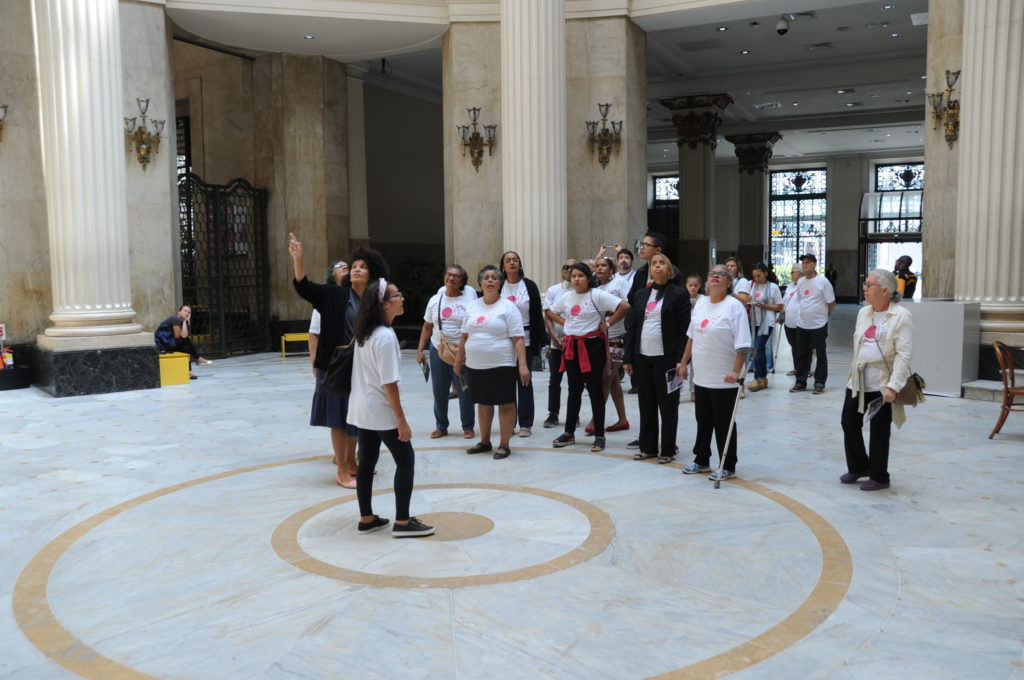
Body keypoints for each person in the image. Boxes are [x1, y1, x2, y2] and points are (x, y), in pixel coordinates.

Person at [289, 233, 390, 489]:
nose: (356, 269)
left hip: (361, 366)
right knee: (338, 419)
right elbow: (304, 286)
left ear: (372, 273)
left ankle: (354, 465)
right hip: (335, 365)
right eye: (354, 266)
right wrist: (298, 259)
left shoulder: (373, 300)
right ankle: (342, 471)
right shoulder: (334, 294)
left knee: (355, 416)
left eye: (362, 266)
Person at [348, 277, 435, 537]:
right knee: (406, 460)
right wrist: (402, 421)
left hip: (363, 409)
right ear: (384, 304)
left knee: (366, 462)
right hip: (381, 411)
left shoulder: (366, 333)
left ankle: (366, 518)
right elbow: (390, 384)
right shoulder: (385, 337)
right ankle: (404, 522)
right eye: (397, 296)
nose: (402, 299)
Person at [841, 269, 914, 491]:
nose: (865, 288)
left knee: (880, 430)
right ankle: (859, 466)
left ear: (885, 290)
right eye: (865, 284)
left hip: (882, 382)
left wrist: (893, 385)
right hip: (859, 378)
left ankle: (880, 476)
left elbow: (904, 354)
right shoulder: (864, 312)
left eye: (869, 285)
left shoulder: (901, 316)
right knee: (849, 422)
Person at [679, 267, 751, 482]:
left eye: (721, 274)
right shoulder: (700, 303)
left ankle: (727, 465)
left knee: (724, 423)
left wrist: (735, 371)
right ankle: (701, 460)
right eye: (712, 273)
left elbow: (743, 345)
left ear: (729, 283)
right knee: (703, 421)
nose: (716, 276)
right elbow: (692, 336)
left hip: (724, 379)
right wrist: (683, 362)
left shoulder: (734, 307)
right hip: (701, 376)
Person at [547, 262, 629, 452]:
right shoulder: (567, 297)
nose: (576, 279)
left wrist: (608, 325)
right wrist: (566, 323)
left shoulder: (597, 295)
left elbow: (624, 306)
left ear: (588, 278)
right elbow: (550, 311)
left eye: (581, 276)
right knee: (573, 389)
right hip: (572, 346)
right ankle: (569, 433)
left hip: (592, 346)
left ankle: (599, 435)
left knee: (595, 390)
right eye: (574, 276)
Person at [455, 265, 530, 460]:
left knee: (505, 404)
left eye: (494, 278)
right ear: (480, 283)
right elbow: (463, 337)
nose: (489, 280)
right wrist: (458, 360)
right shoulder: (472, 306)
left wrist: (522, 365)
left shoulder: (508, 307)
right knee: (483, 403)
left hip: (502, 364)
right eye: (486, 278)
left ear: (500, 283)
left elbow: (518, 338)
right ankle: (485, 441)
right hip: (475, 365)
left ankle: (504, 444)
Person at [622, 254, 690, 463]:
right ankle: (648, 447)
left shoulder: (679, 294)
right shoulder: (641, 295)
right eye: (654, 263)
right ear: (650, 270)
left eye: (662, 263)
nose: (657, 265)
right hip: (643, 357)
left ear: (668, 270)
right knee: (646, 403)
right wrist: (628, 358)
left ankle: (668, 449)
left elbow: (684, 330)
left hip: (667, 358)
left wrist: (682, 360)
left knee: (668, 405)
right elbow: (632, 326)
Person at [416, 265, 476, 441]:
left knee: (464, 389)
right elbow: (427, 326)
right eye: (449, 275)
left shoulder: (469, 301)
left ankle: (468, 426)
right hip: (438, 348)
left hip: (461, 350)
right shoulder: (435, 300)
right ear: (444, 278)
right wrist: (420, 350)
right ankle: (441, 426)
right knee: (439, 390)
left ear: (462, 282)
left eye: (457, 276)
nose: (452, 278)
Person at [499, 251, 547, 438]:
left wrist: (543, 342)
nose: (512, 263)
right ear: (502, 266)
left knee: (524, 380)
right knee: (506, 383)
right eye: (508, 261)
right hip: (503, 340)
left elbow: (537, 315)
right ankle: (509, 422)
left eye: (515, 260)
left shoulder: (529, 285)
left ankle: (526, 423)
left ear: (520, 264)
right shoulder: (499, 286)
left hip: (525, 339)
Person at [308, 259, 347, 467]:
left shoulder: (356, 297)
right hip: (332, 362)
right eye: (342, 267)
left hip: (351, 362)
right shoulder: (325, 299)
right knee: (336, 411)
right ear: (332, 275)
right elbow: (314, 334)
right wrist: (315, 361)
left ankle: (350, 456)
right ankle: (341, 456)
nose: (347, 269)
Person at [587, 256, 630, 434]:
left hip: (617, 335)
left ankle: (595, 420)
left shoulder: (619, 283)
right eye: (597, 266)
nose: (600, 268)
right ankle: (622, 419)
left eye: (603, 265)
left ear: (611, 268)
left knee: (606, 377)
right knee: (613, 382)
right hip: (602, 338)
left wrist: (610, 321)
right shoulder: (597, 288)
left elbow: (627, 306)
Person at [790, 253, 836, 395]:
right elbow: (801, 299)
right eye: (803, 262)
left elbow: (831, 303)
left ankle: (819, 382)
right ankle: (801, 381)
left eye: (808, 262)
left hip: (819, 324)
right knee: (802, 354)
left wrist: (825, 315)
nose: (805, 265)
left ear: (815, 264)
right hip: (802, 324)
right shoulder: (801, 281)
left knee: (820, 354)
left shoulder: (823, 281)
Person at [542, 258, 577, 429]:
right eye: (566, 267)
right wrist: (555, 339)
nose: (569, 271)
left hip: (575, 343)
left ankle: (574, 414)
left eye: (573, 268)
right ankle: (553, 414)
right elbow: (547, 315)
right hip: (557, 344)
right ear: (562, 271)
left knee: (574, 381)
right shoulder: (553, 290)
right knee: (554, 380)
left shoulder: (583, 290)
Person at [747, 263, 783, 392]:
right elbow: (750, 299)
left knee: (758, 347)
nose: (757, 279)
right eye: (754, 276)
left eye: (759, 275)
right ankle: (763, 378)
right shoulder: (753, 286)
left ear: (766, 273)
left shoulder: (773, 287)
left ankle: (757, 378)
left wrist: (765, 306)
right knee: (759, 350)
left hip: (767, 322)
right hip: (755, 321)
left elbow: (779, 306)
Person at [154, 305, 213, 378]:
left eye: (189, 312)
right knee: (186, 341)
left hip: (171, 342)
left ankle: (189, 372)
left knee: (186, 347)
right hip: (163, 344)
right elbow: (178, 336)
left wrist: (185, 321)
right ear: (179, 312)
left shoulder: (182, 321)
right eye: (185, 311)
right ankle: (198, 358)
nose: (187, 313)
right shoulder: (175, 319)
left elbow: (184, 335)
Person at [782, 264, 803, 377]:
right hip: (789, 321)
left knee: (803, 347)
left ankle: (805, 369)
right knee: (794, 346)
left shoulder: (804, 285)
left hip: (800, 322)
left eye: (792, 272)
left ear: (800, 274)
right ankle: (797, 368)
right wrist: (781, 314)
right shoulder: (790, 285)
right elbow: (785, 301)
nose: (791, 274)